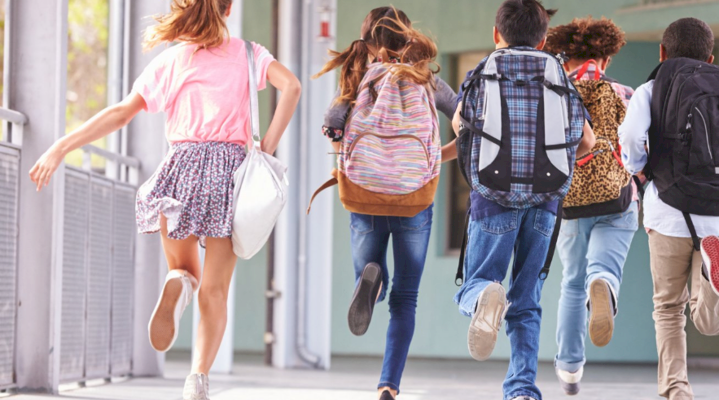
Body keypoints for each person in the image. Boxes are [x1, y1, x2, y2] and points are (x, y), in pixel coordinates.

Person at [28, 1, 300, 399]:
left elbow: (121, 114)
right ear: (228, 10)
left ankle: (177, 281)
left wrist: (62, 145)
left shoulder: (172, 62)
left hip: (180, 170)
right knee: (215, 290)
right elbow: (291, 86)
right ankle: (198, 378)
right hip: (230, 176)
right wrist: (266, 148)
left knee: (185, 270)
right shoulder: (248, 53)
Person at [439, 1, 595, 399]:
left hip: (493, 197)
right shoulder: (557, 73)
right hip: (545, 201)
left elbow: (461, 124)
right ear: (544, 39)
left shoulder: (483, 72)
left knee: (474, 284)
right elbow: (587, 141)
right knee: (526, 302)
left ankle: (483, 299)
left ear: (497, 34)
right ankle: (522, 389)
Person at [620, 17, 719, 400]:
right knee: (709, 323)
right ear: (710, 55)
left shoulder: (652, 88)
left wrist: (638, 169)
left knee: (669, 309)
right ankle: (712, 278)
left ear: (662, 53)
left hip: (668, 211)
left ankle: (676, 389)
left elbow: (630, 137)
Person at [311, 7, 458, 400]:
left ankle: (372, 279)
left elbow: (333, 126)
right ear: (407, 37)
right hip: (415, 197)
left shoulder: (358, 76)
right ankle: (389, 384)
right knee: (406, 298)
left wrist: (346, 155)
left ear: (370, 43)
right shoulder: (426, 77)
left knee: (371, 273)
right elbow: (466, 118)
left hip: (364, 192)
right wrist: (438, 155)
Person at [544, 16, 638, 396]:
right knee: (603, 268)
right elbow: (637, 149)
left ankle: (568, 368)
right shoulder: (623, 92)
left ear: (564, 57)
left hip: (570, 203)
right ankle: (604, 284)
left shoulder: (555, 93)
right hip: (616, 198)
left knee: (570, 283)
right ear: (607, 56)